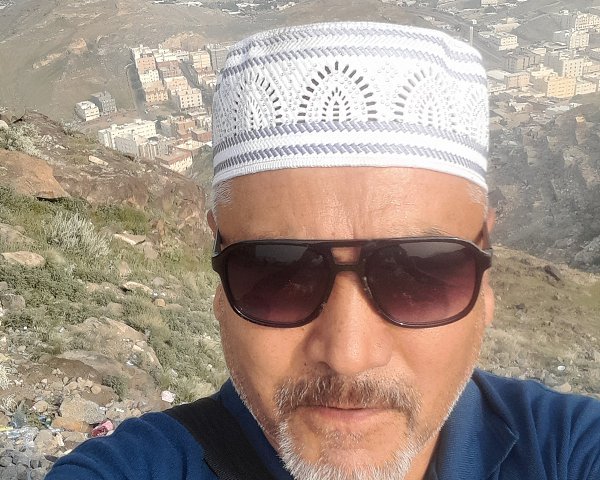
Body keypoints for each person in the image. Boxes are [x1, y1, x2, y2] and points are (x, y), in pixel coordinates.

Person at [46, 22, 600, 480]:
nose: (348, 354)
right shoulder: (138, 467)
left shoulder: (568, 448)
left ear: (486, 279)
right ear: (219, 285)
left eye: (421, 273)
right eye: (278, 273)